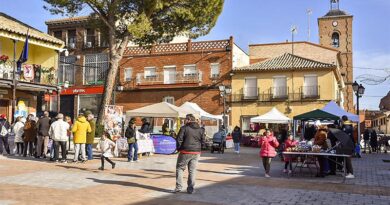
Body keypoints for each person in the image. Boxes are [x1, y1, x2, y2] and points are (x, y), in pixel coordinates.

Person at [174, 114, 205, 194]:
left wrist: (179, 148)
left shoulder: (184, 128)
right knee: (192, 170)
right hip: (196, 152)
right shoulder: (201, 129)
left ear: (189, 119)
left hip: (185, 151)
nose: (184, 121)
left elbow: (179, 139)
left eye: (185, 119)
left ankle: (178, 187)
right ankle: (190, 189)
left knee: (180, 168)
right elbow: (203, 141)